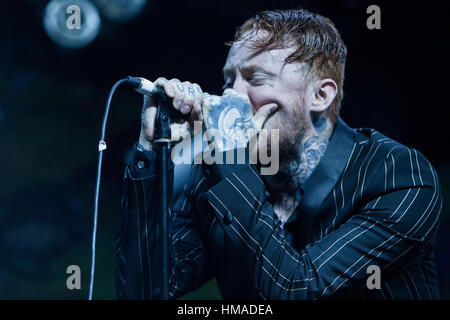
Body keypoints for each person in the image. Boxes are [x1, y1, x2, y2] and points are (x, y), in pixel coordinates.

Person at [115, 9, 442, 299]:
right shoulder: (217, 176)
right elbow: (144, 291)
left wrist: (230, 157)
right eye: (229, 80)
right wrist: (152, 152)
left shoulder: (398, 177)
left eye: (256, 79)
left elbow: (298, 288)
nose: (232, 96)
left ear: (319, 95)